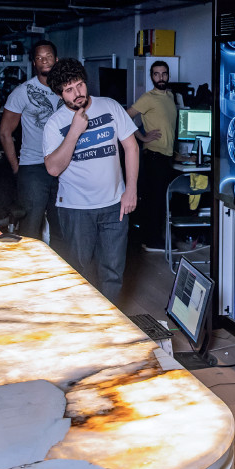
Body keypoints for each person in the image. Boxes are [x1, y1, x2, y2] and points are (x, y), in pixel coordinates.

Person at [43, 58, 138, 302]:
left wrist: (131, 190)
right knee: (81, 272)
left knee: (113, 271)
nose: (77, 93)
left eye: (80, 85)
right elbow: (53, 168)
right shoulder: (55, 123)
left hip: (114, 205)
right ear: (60, 94)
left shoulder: (110, 106)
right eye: (69, 90)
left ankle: (111, 320)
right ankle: (87, 320)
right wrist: (74, 131)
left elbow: (131, 147)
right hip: (76, 208)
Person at [0, 40, 64, 247]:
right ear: (34, 63)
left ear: (56, 60)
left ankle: (59, 266)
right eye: (39, 58)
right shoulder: (23, 92)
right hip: (34, 167)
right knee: (30, 229)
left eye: (49, 56)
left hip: (64, 167)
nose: (45, 61)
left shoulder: (67, 89)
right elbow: (5, 132)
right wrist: (17, 168)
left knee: (62, 227)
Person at [127, 60, 177, 252]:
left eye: (164, 74)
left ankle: (155, 239)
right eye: (156, 74)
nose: (160, 77)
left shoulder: (170, 96)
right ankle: (150, 241)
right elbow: (125, 117)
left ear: (168, 75)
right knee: (154, 201)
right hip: (154, 156)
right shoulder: (148, 98)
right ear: (151, 77)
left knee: (161, 201)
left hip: (166, 156)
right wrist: (142, 137)